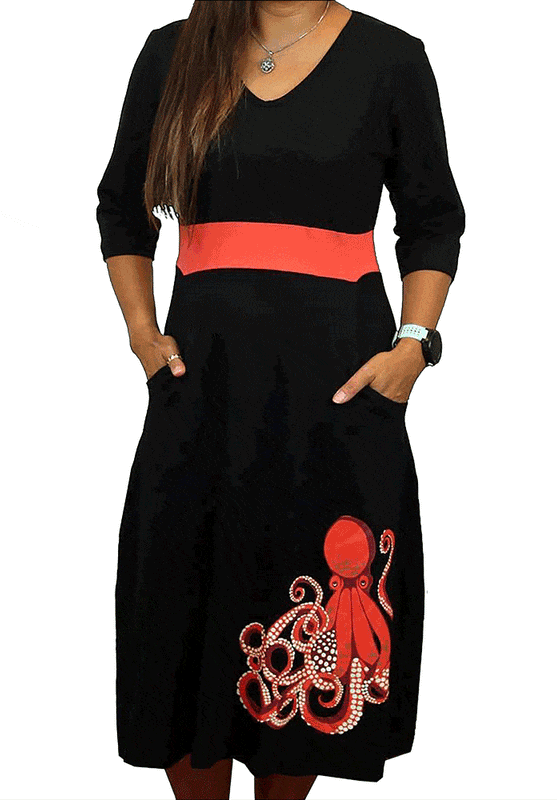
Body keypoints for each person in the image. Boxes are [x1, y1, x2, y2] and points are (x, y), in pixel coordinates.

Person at [95, 1, 466, 798]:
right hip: (201, 393)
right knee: (181, 609)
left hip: (336, 399)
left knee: (311, 621)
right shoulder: (173, 54)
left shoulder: (392, 59)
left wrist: (414, 345)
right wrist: (142, 331)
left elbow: (433, 219)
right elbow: (122, 209)